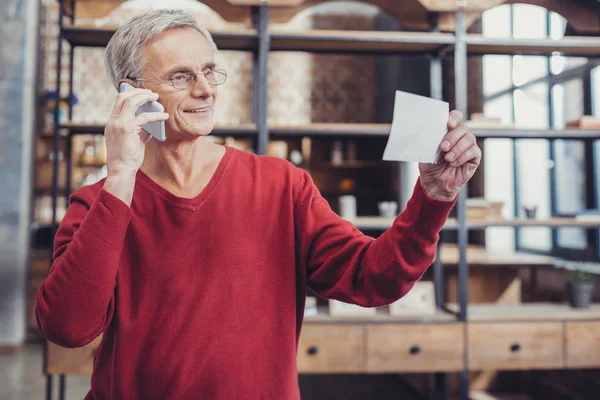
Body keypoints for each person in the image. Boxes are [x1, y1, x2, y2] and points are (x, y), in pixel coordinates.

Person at [35, 9, 481, 400]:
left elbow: (374, 279)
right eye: (180, 76)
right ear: (131, 93)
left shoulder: (281, 186)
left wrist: (434, 198)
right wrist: (119, 179)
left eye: (210, 71)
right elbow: (68, 328)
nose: (206, 90)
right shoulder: (100, 203)